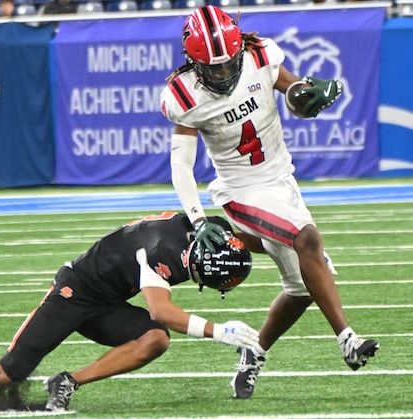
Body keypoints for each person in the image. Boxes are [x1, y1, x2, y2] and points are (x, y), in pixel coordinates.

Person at [160, 5, 379, 400]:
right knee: (308, 241)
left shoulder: (260, 54)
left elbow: (294, 96)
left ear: (239, 48)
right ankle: (347, 339)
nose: (224, 74)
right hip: (239, 191)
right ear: (193, 61)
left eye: (229, 64)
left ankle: (255, 351)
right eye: (214, 68)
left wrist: (309, 96)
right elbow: (181, 165)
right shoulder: (184, 94)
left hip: (281, 181)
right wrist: (197, 219)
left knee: (303, 287)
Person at [0, 211, 258, 414]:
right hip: (74, 292)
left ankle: (68, 382)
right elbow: (160, 310)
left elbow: (228, 231)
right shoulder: (162, 252)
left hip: (108, 298)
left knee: (154, 341)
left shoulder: (208, 230)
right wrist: (218, 331)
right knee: (8, 372)